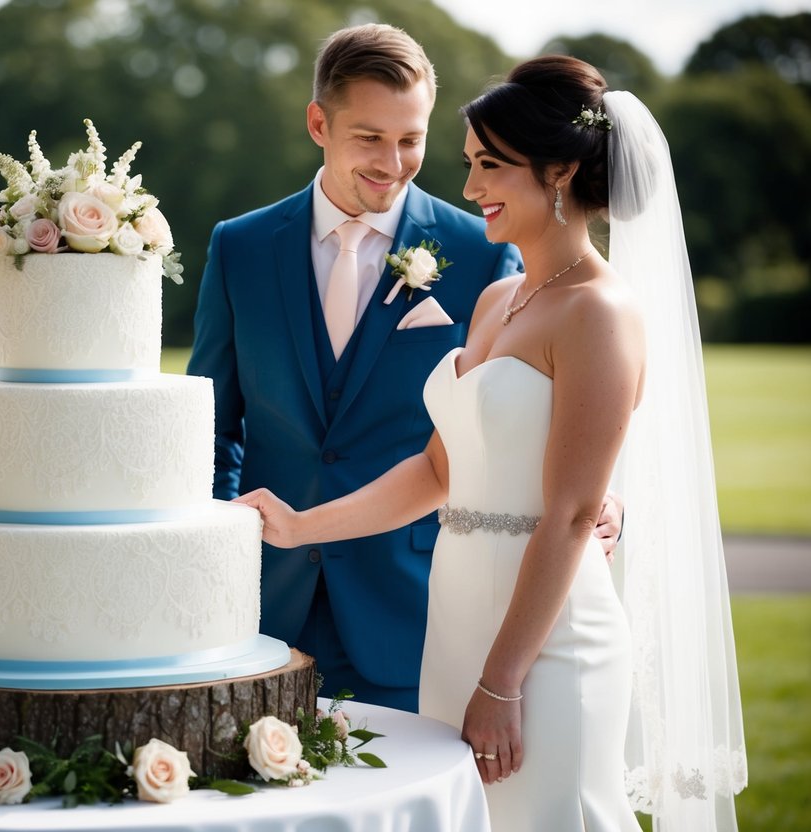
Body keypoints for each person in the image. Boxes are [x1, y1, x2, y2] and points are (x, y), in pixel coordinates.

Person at [236, 55, 747, 831]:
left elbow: (574, 515)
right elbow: (440, 468)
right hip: (455, 626)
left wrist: (503, 682)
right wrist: (304, 526)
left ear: (560, 173)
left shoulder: (598, 314)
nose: (469, 188)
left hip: (546, 649)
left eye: (490, 166)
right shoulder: (496, 297)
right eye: (470, 163)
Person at [185, 22, 620, 712]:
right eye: (368, 138)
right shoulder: (239, 248)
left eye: (411, 139)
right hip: (257, 607)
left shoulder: (481, 251)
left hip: (414, 608)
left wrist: (603, 501)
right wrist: (217, 552)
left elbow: (543, 403)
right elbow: (209, 429)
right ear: (317, 123)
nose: (392, 162)